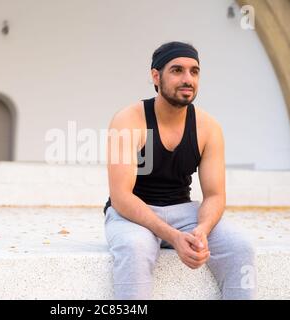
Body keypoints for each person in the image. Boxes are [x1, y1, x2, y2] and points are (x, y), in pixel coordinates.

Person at [103, 41, 257, 300]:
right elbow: (121, 197)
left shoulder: (209, 127)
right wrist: (174, 237)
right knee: (135, 247)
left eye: (194, 71)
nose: (188, 79)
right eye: (177, 70)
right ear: (156, 76)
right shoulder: (128, 120)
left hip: (184, 213)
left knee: (239, 246)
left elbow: (215, 195)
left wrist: (202, 230)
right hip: (131, 214)